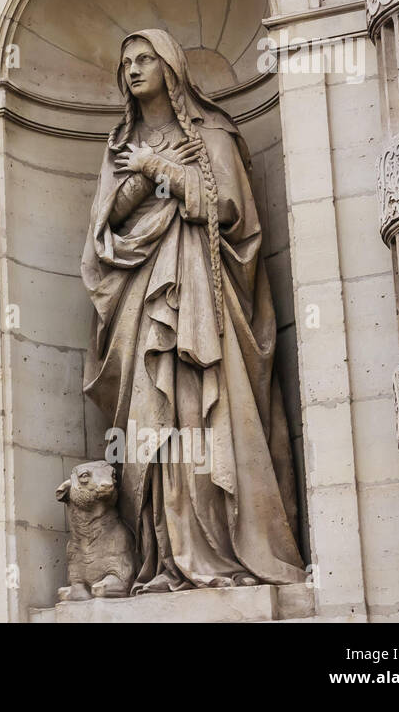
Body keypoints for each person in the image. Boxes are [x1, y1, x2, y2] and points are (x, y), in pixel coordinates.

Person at [81, 29, 306, 593]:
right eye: (125, 61)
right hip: (140, 299)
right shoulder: (117, 147)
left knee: (201, 412)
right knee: (150, 420)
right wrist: (144, 174)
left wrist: (162, 168)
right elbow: (104, 234)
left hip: (203, 295)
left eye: (144, 59)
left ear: (171, 66)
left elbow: (227, 209)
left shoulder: (213, 134)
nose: (132, 69)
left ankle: (221, 554)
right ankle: (160, 559)